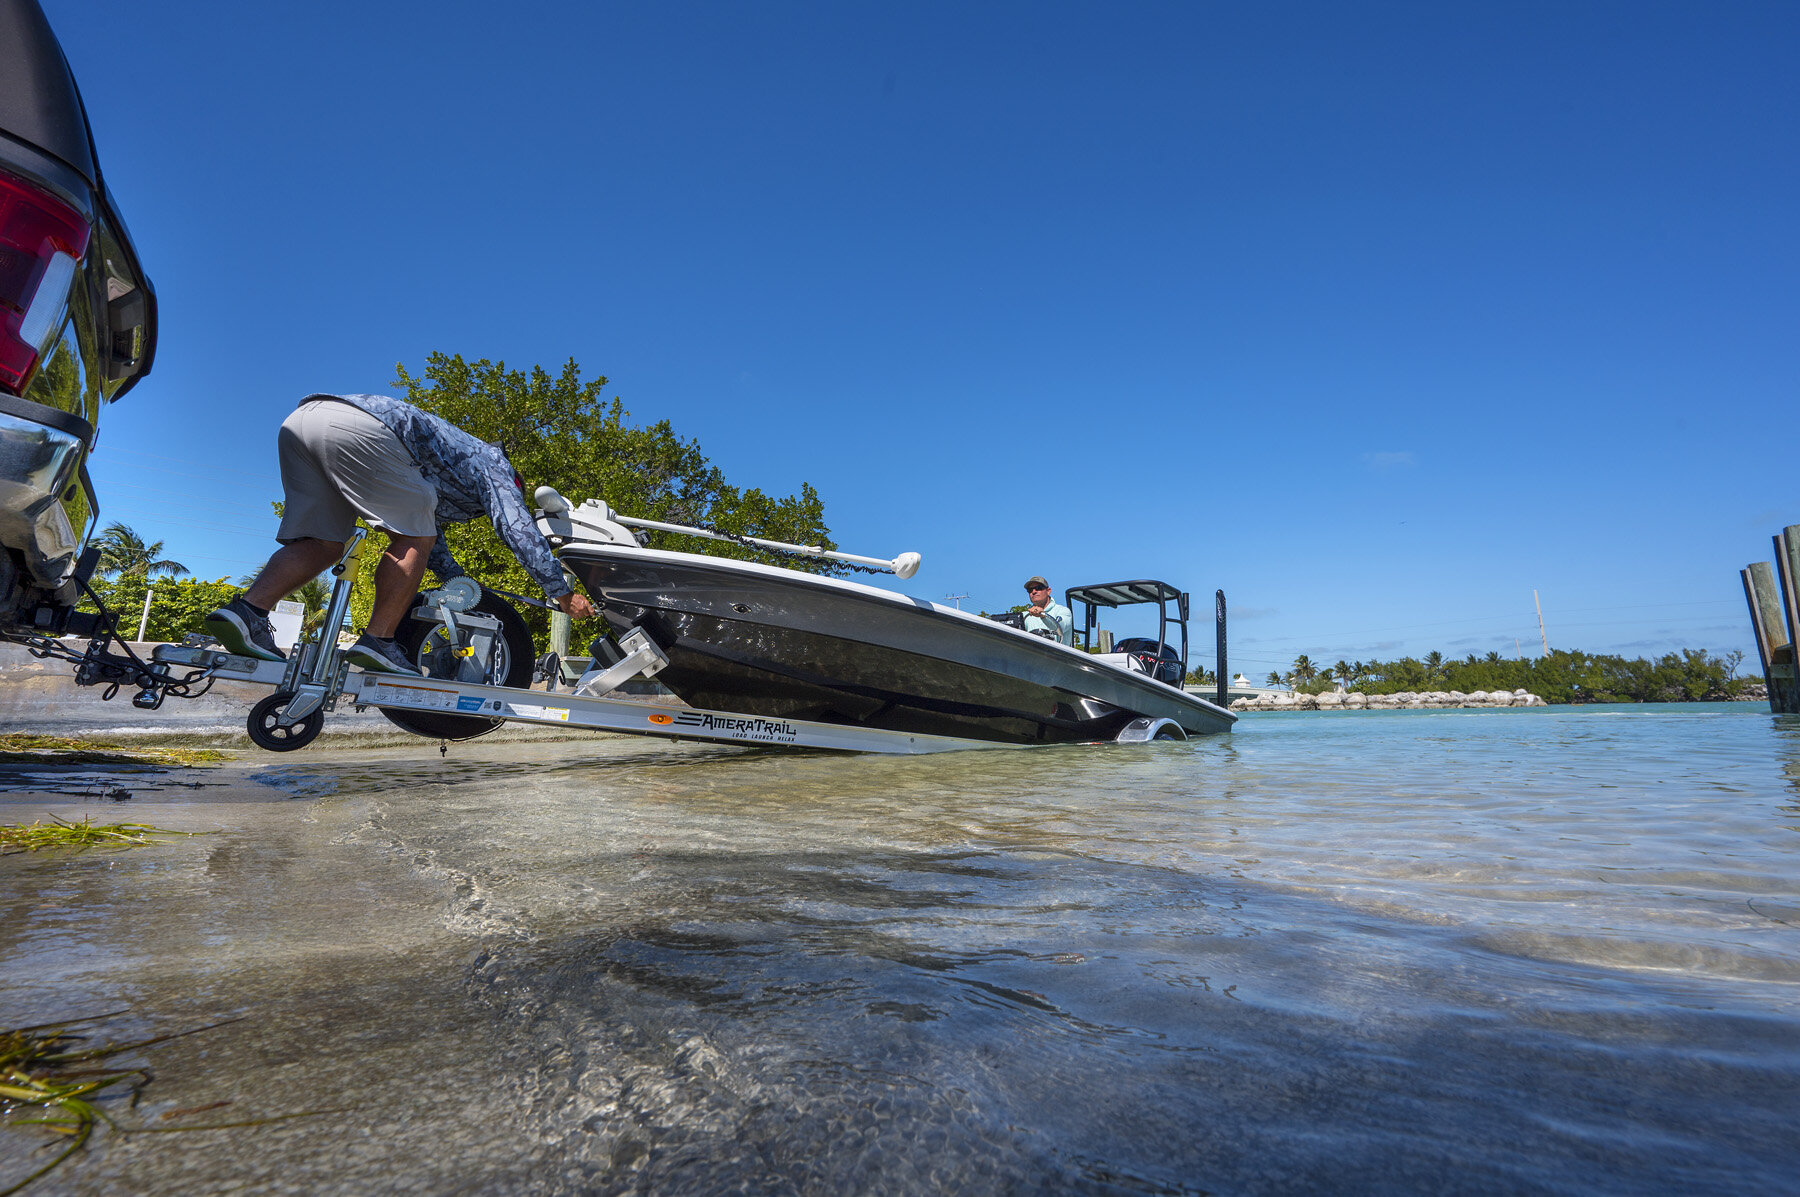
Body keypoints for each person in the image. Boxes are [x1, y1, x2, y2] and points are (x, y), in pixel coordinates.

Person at [205, 393, 596, 673]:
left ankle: (248, 612)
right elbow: (515, 527)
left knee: (322, 543)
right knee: (412, 539)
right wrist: (561, 593)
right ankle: (378, 641)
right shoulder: (495, 465)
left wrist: (460, 584)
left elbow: (431, 540)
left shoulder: (443, 467)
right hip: (362, 428)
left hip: (303, 421)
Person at [1022, 575, 1073, 644]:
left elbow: (1061, 627)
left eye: (1038, 588)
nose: (1033, 592)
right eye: (1030, 590)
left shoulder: (1063, 611)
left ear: (1048, 591)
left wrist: (1043, 616)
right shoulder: (1024, 616)